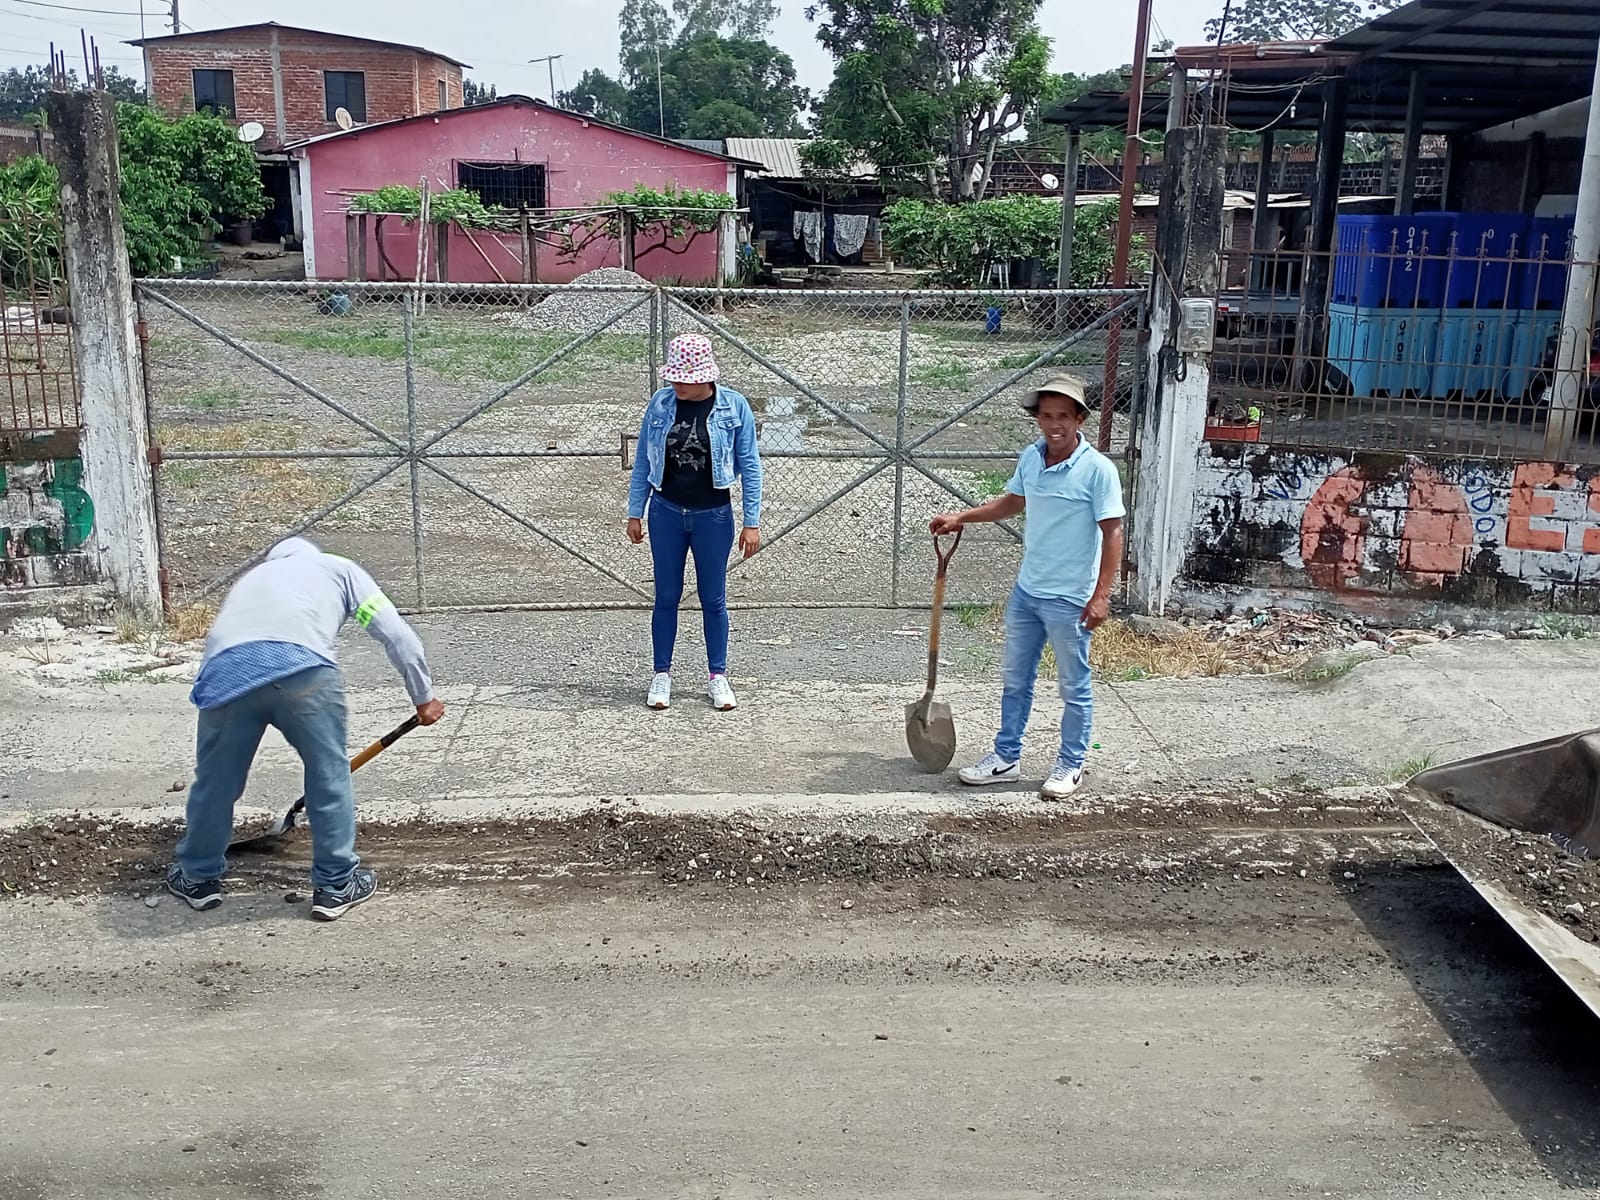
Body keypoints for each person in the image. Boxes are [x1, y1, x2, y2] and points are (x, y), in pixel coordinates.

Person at [165, 537, 444, 920]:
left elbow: (221, 641)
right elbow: (396, 635)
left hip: (227, 675)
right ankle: (335, 886)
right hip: (303, 671)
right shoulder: (340, 569)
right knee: (328, 776)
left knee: (216, 782)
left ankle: (197, 876)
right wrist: (423, 698)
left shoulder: (252, 579)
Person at [929, 374, 1125, 799]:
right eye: (1046, 416)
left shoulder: (1098, 470)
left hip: (1070, 599)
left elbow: (1112, 533)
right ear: (1038, 419)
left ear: (1079, 419)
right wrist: (962, 517)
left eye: (1063, 416)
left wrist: (1101, 596)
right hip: (1027, 592)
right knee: (1016, 681)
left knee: (1073, 687)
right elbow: (1014, 502)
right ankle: (1006, 758)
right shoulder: (1032, 458)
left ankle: (1071, 763)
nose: (1054, 425)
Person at [626, 333, 762, 712]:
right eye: (673, 377)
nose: (677, 385)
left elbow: (750, 466)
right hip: (666, 512)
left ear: (706, 376)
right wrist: (635, 511)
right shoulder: (660, 403)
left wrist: (752, 521)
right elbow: (644, 460)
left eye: (685, 379)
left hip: (713, 516)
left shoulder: (734, 406)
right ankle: (661, 674)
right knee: (666, 596)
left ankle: (718, 675)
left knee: (713, 598)